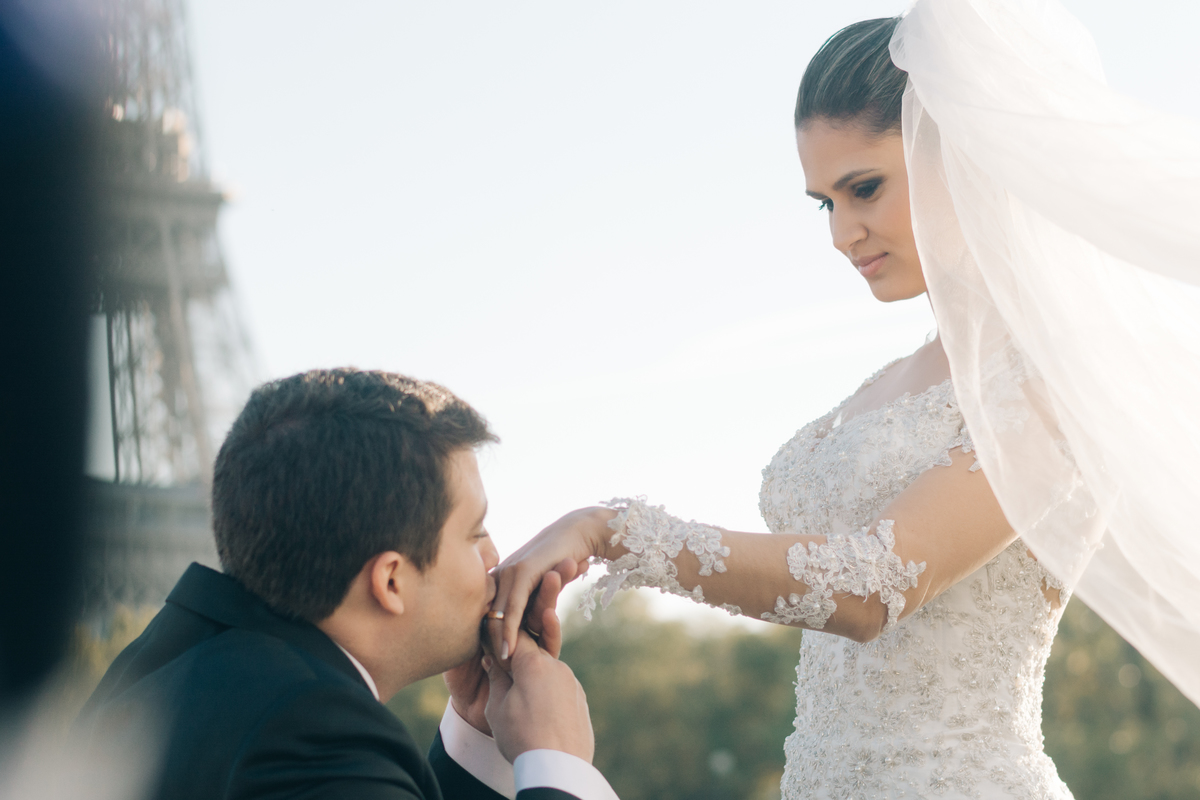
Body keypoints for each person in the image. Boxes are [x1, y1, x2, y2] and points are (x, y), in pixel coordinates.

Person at [480, 8, 1191, 797]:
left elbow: (875, 587)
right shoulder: (884, 383)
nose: (841, 233)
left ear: (963, 153)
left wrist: (614, 530)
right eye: (825, 202)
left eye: (864, 188)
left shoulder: (1051, 376)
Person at [79, 369, 618, 800]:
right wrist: (559, 767)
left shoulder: (169, 667)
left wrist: (476, 740)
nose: (495, 557)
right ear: (390, 580)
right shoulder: (309, 732)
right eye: (475, 532)